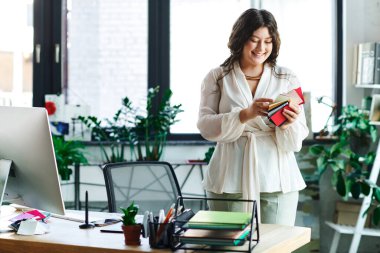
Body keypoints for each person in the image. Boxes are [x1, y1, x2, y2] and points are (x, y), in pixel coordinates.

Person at [197, 8, 309, 226]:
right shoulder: (218, 77)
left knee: (276, 247)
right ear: (240, 39)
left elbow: (296, 142)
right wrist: (243, 115)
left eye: (268, 41)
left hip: (277, 179)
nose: (261, 48)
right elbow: (205, 127)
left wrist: (289, 124)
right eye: (254, 40)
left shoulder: (287, 77)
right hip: (228, 179)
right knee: (228, 247)